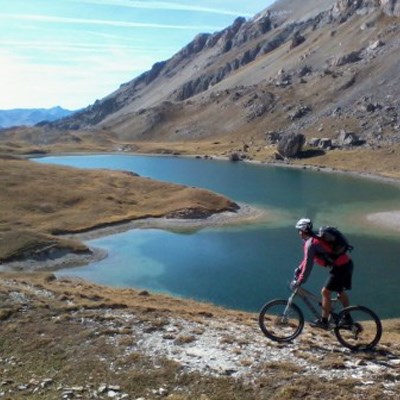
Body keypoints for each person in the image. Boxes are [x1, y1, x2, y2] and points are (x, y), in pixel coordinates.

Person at [292, 218, 354, 329]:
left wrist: (301, 279)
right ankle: (347, 318)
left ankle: (324, 321)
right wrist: (299, 269)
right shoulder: (314, 239)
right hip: (347, 264)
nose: (299, 233)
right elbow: (307, 260)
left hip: (341, 267)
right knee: (339, 291)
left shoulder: (311, 243)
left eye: (299, 230)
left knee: (325, 292)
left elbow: (308, 264)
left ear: (302, 230)